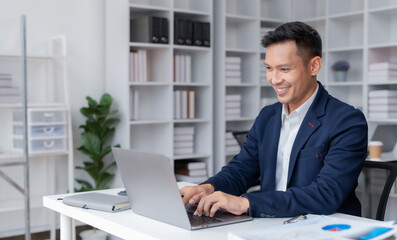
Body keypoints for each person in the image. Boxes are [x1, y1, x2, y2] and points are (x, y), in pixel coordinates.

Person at [180, 21, 368, 218]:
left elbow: (326, 194)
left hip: (324, 227)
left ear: (314, 66)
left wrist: (245, 203)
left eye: (284, 69)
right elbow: (241, 170)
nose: (274, 79)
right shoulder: (267, 116)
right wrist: (208, 189)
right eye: (269, 68)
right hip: (271, 223)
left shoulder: (347, 121)